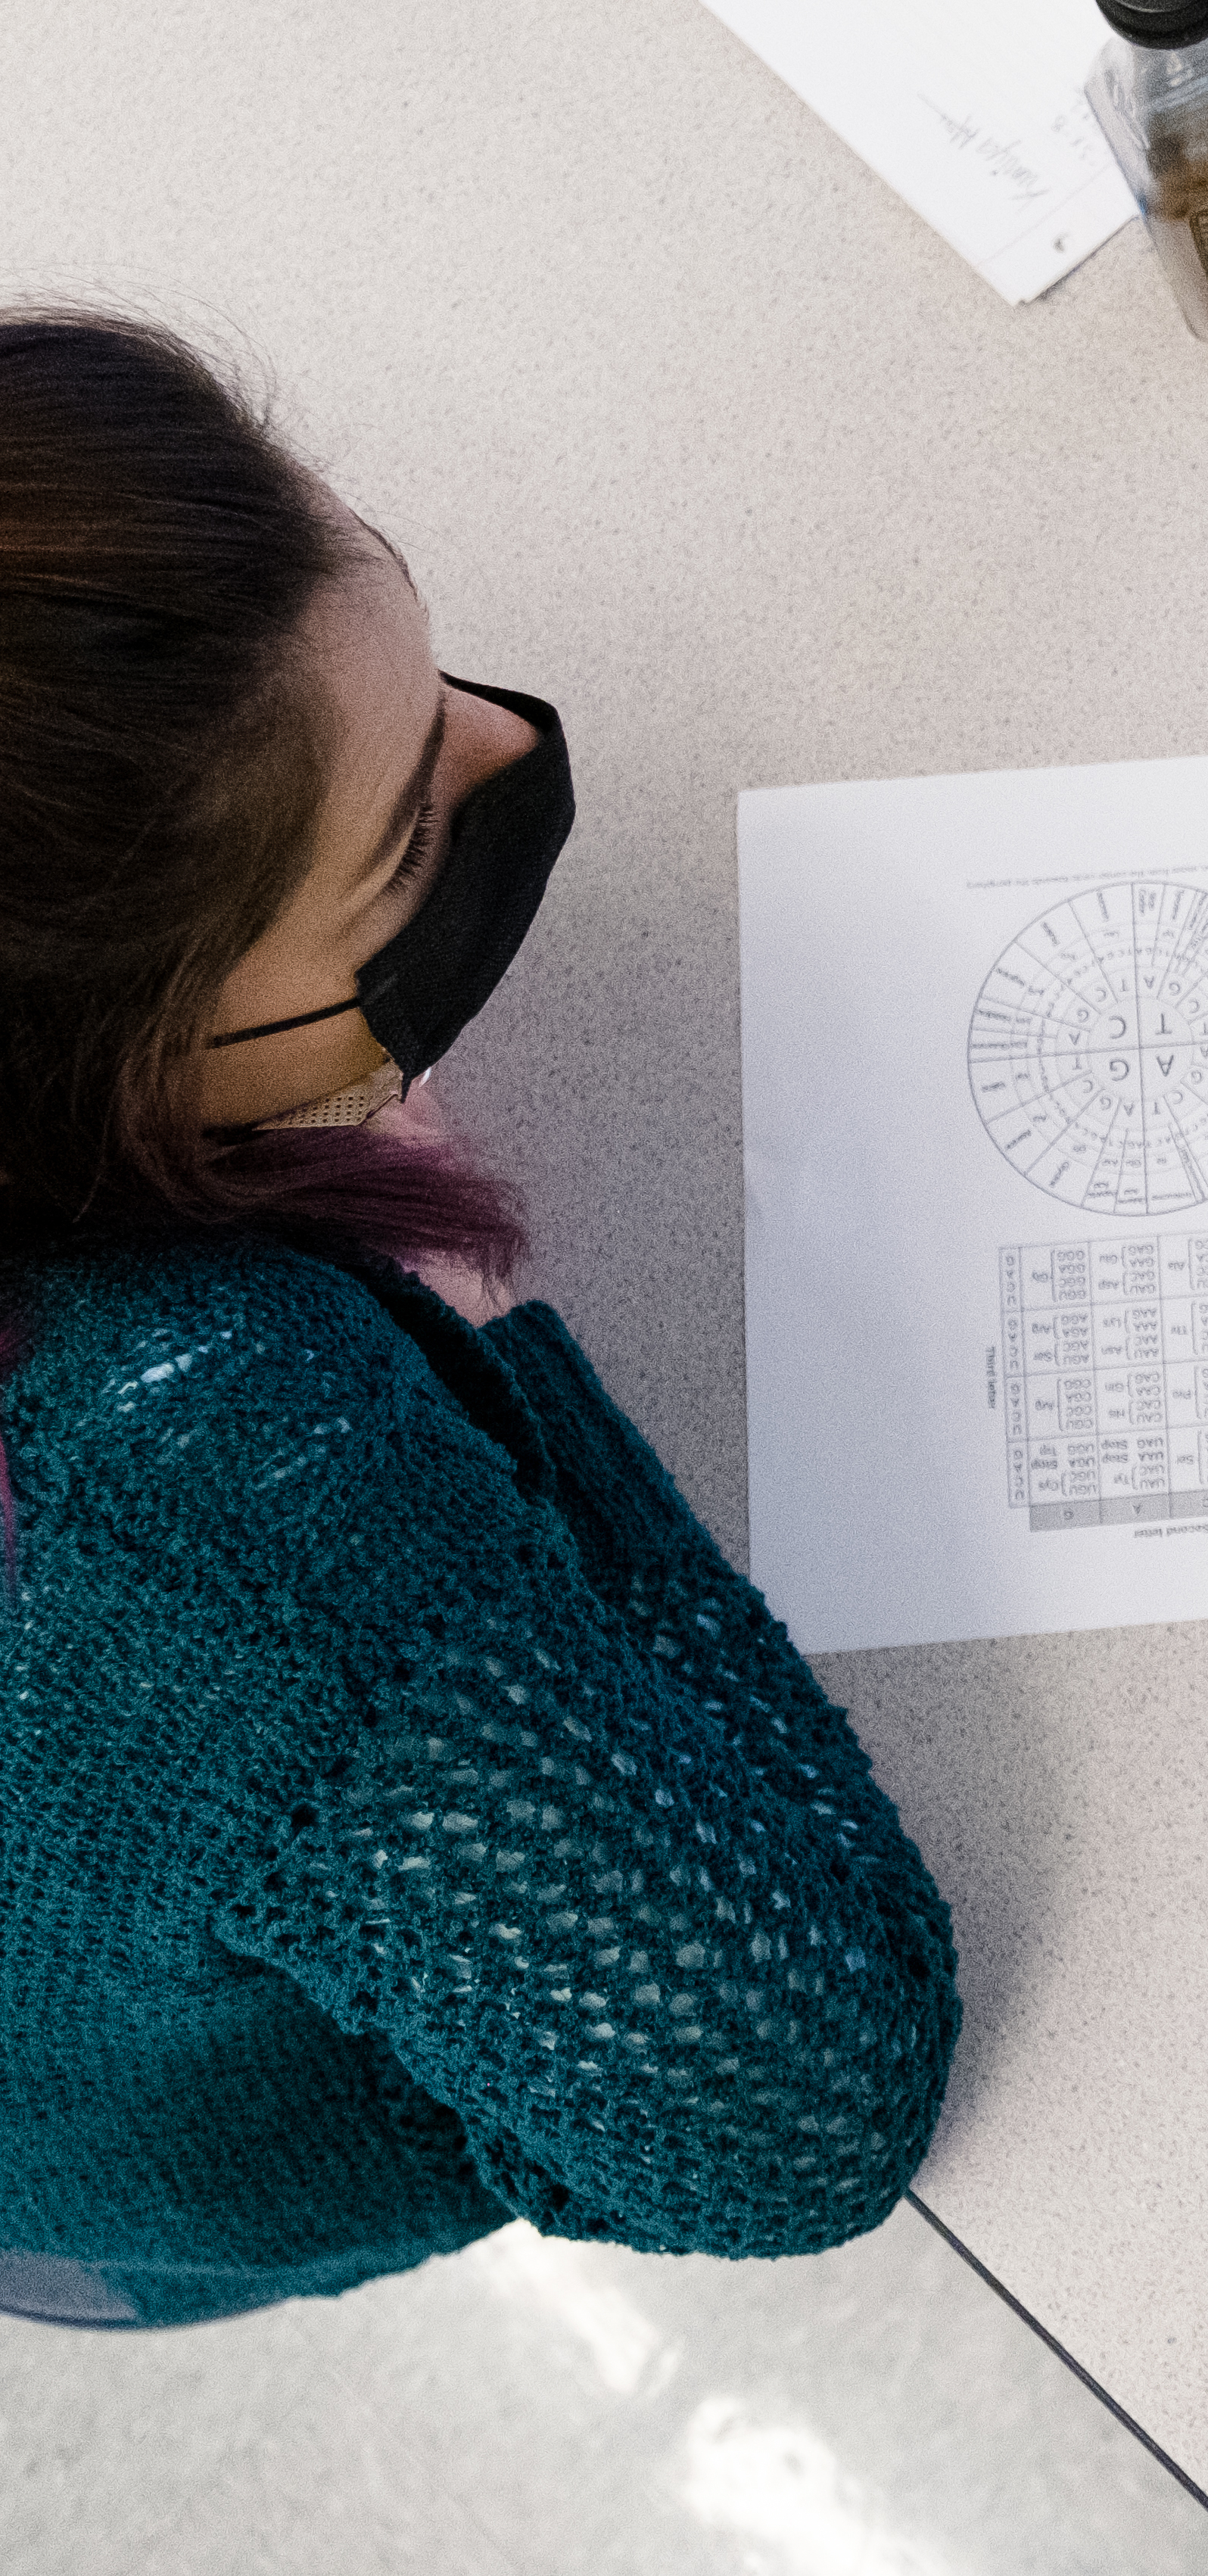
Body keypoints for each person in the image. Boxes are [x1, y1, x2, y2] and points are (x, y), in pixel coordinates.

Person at [0, 313, 958, 2328]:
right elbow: (804, 2107)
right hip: (148, 2153)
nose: (508, 746)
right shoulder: (224, 1479)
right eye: (403, 849)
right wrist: (492, 1352)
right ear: (121, 1054)